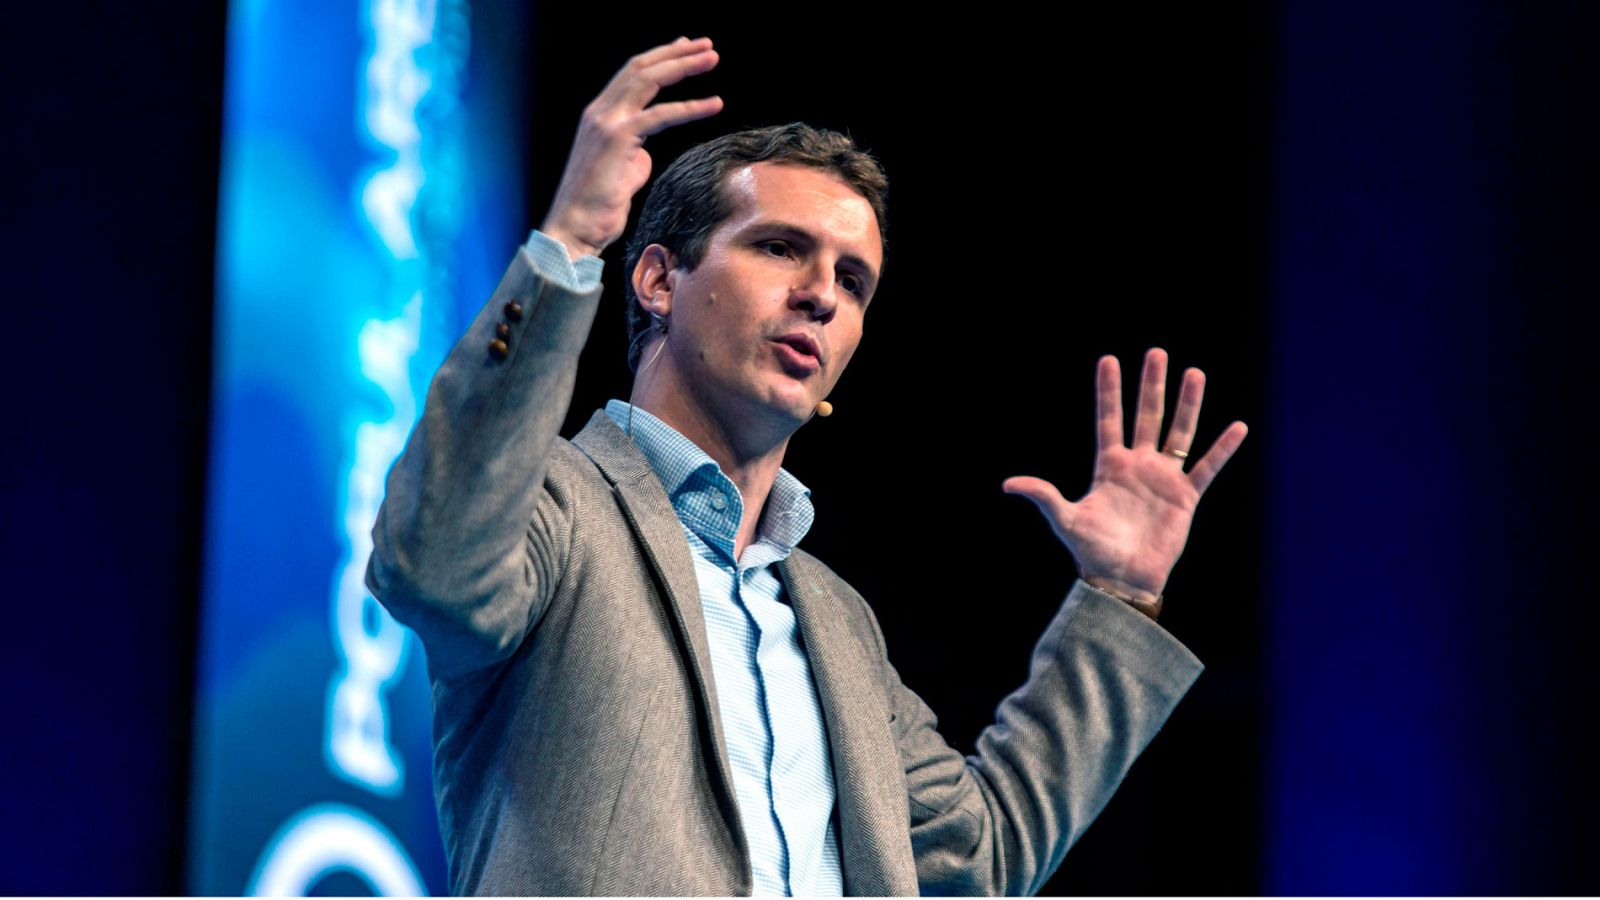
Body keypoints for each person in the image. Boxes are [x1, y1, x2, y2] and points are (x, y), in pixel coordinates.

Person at [366, 36, 1247, 896]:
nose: (822, 294)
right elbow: (435, 566)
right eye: (780, 247)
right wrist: (564, 247)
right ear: (659, 281)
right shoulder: (558, 505)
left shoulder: (838, 621)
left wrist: (1120, 596)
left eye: (853, 281)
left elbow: (982, 856)